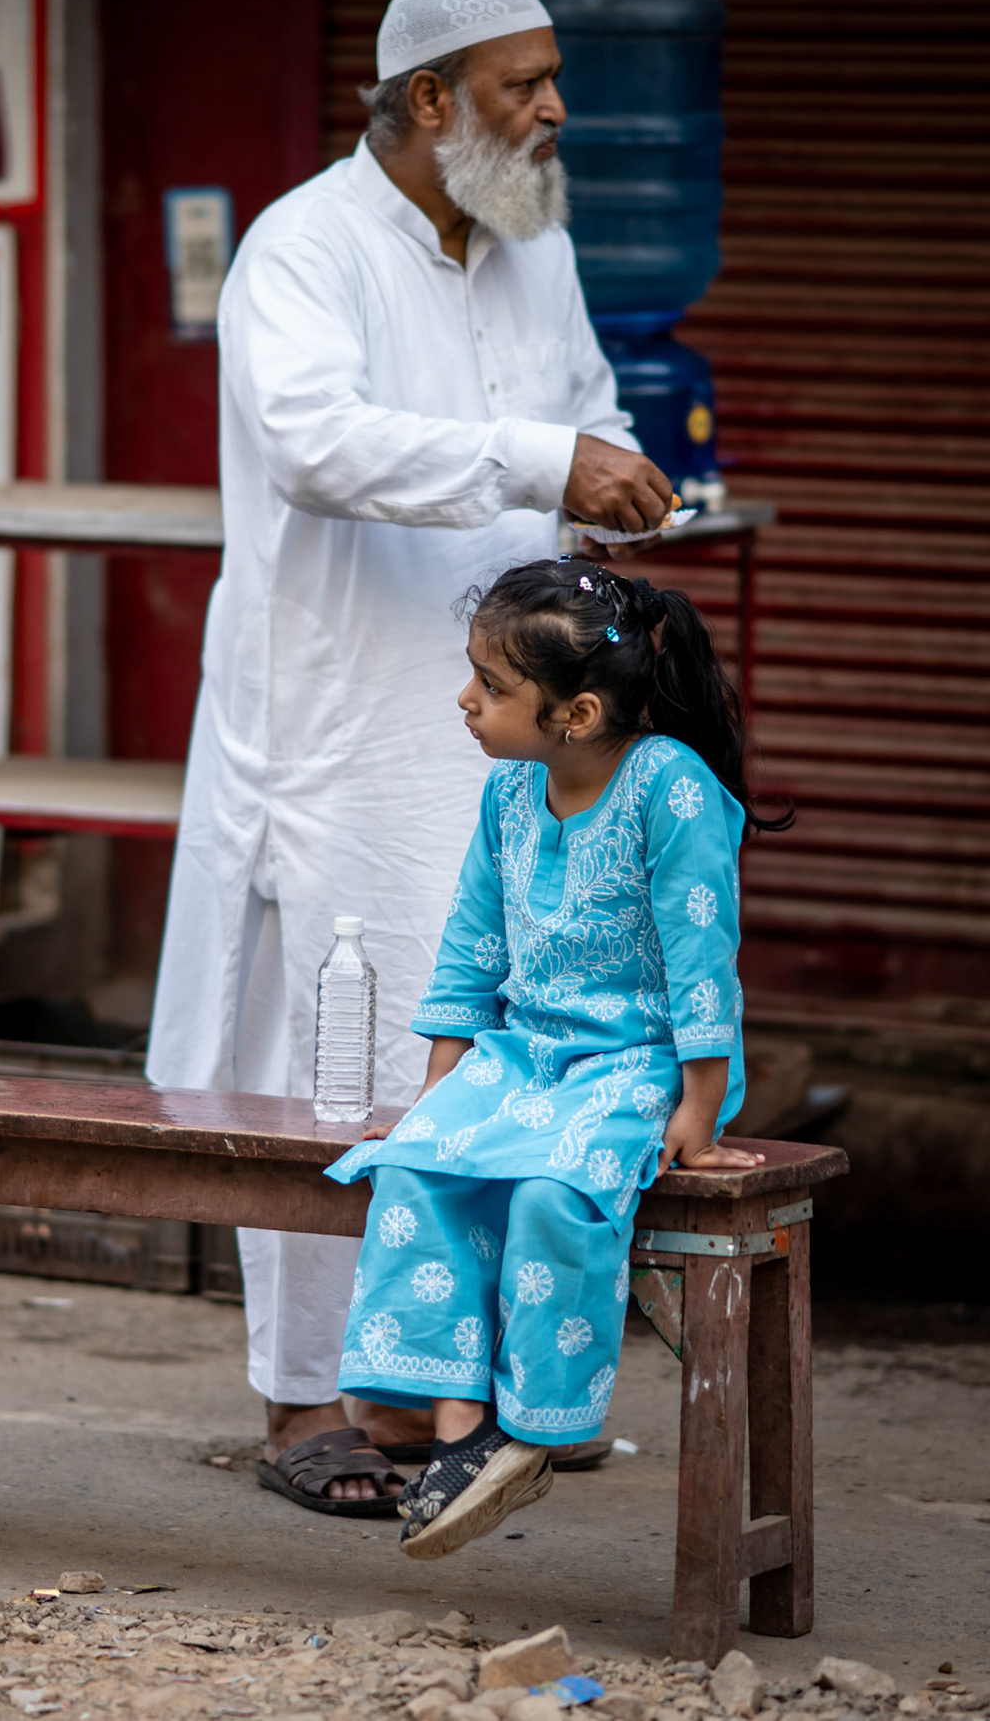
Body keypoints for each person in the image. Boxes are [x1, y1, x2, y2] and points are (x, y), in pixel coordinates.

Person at [145, 0, 680, 1516]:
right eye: (525, 84)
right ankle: (313, 1394)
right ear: (431, 98)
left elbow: (589, 407)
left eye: (552, 80)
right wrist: (544, 459)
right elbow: (314, 442)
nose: (557, 111)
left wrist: (618, 481)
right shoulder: (300, 248)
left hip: (507, 723)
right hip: (345, 723)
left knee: (496, 1037)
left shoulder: (532, 238)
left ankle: (457, 1390)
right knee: (340, 1055)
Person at [327, 555, 785, 1558]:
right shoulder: (511, 796)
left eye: (491, 686)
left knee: (550, 1192)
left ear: (575, 713)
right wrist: (433, 1098)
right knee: (418, 1167)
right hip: (524, 1058)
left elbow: (704, 957)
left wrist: (699, 1112)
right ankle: (462, 1427)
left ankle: (533, 1425)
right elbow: (470, 949)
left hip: (645, 1063)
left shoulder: (671, 787)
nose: (466, 700)